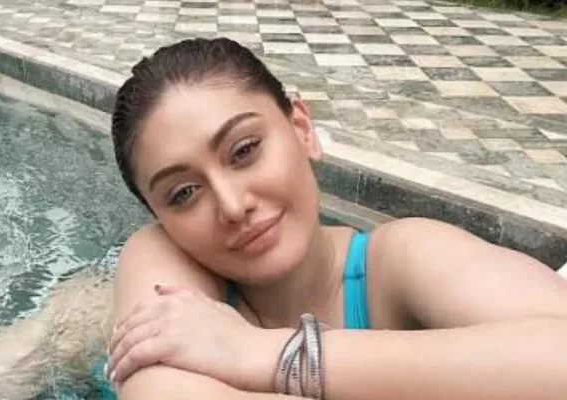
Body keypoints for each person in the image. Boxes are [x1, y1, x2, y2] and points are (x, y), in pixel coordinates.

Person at [99, 37, 567, 400]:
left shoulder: (402, 258)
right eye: (183, 193)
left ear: (302, 129)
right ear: (159, 218)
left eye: (244, 151)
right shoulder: (162, 271)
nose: (233, 205)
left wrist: (261, 353)